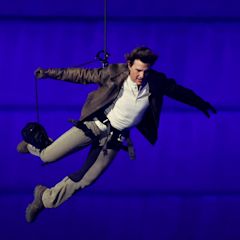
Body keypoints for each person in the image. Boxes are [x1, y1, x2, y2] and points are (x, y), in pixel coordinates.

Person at [17, 46, 217, 223]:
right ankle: (31, 147)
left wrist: (201, 103)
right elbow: (81, 75)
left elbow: (180, 92)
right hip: (94, 125)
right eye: (138, 70)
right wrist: (49, 73)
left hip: (114, 138)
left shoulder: (156, 82)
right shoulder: (114, 73)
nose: (141, 76)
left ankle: (45, 198)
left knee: (88, 178)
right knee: (48, 156)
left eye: (145, 72)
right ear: (129, 64)